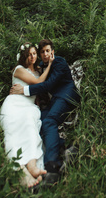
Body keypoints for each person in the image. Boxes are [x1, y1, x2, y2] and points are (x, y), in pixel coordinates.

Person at [10, 39, 80, 185]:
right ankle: (64, 147)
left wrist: (24, 90)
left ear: (52, 52)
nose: (45, 54)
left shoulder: (59, 62)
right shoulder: (42, 66)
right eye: (42, 52)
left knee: (49, 121)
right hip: (55, 100)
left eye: (48, 51)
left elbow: (48, 84)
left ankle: (52, 167)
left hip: (66, 96)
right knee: (38, 123)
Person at [0, 43, 53, 188]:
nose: (32, 57)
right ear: (23, 56)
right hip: (15, 104)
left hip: (29, 107)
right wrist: (49, 66)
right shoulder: (19, 69)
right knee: (13, 133)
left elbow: (40, 88)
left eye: (34, 53)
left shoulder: (38, 71)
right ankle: (20, 170)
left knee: (30, 126)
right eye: (29, 54)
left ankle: (32, 164)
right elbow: (38, 83)